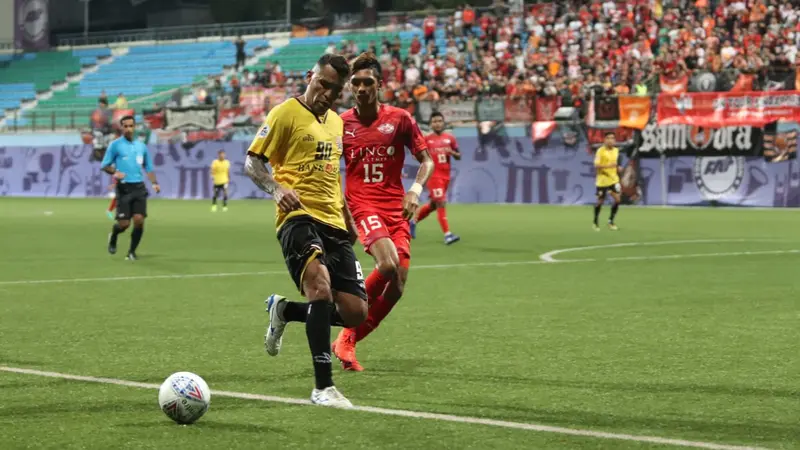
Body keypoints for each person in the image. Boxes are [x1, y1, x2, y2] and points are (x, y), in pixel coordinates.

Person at [244, 54, 367, 408]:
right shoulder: (284, 113)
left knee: (356, 313)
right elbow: (252, 162)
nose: (326, 93)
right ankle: (322, 388)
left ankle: (284, 311)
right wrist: (277, 189)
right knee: (320, 287)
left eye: (334, 89)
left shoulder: (337, 124)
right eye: (322, 84)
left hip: (334, 221)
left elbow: (332, 173)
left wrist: (348, 217)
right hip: (297, 216)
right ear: (311, 76)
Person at [332, 52, 434, 372]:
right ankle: (347, 329)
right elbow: (331, 170)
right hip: (363, 204)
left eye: (368, 83)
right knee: (387, 264)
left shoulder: (400, 118)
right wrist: (343, 213)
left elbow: (427, 160)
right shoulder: (340, 123)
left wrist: (415, 192)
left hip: (395, 206)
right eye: (356, 83)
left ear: (380, 85)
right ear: (350, 85)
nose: (361, 88)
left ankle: (350, 342)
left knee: (399, 284)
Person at [101, 115, 160, 260]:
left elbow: (148, 167)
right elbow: (104, 165)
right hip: (124, 189)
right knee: (124, 224)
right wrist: (115, 172)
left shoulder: (141, 146)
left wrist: (154, 183)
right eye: (125, 126)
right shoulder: (115, 145)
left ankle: (132, 252)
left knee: (139, 220)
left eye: (131, 126)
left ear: (134, 127)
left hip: (139, 187)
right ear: (121, 128)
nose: (128, 129)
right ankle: (114, 235)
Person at [410, 112, 461, 245]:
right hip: (433, 176)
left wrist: (453, 153)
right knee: (441, 202)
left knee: (433, 205)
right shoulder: (426, 139)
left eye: (439, 121)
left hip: (445, 177)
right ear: (431, 124)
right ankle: (447, 234)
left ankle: (412, 222)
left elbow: (459, 155)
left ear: (443, 123)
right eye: (434, 121)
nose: (437, 123)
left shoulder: (450, 138)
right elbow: (416, 155)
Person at [594, 132, 622, 231]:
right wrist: (608, 166)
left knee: (618, 200)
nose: (610, 140)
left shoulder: (616, 151)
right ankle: (595, 222)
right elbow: (597, 165)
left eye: (612, 138)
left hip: (613, 180)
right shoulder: (600, 151)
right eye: (608, 138)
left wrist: (618, 168)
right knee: (600, 202)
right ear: (604, 140)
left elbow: (616, 163)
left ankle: (611, 221)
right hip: (602, 181)